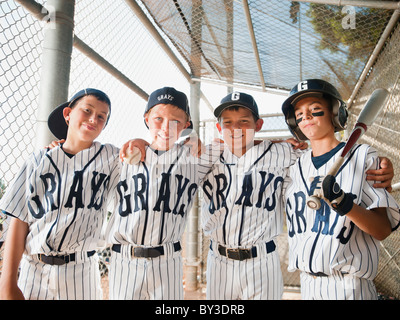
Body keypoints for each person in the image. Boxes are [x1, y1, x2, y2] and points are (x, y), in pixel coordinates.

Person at [281, 79, 400, 300]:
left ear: (335, 114)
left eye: (315, 110)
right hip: (307, 285)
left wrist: (344, 204)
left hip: (348, 287)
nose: (305, 116)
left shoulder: (363, 156)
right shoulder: (294, 167)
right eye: (298, 114)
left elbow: (382, 230)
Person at [0, 88, 120, 300]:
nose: (93, 118)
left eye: (102, 117)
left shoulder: (110, 158)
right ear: (67, 114)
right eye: (87, 110)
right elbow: (19, 221)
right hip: (34, 269)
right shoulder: (39, 159)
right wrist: (7, 282)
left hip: (81, 271)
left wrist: (141, 144)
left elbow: (140, 161)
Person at [105, 87, 217, 300]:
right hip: (124, 261)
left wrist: (279, 143)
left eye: (176, 121)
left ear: (186, 125)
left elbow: (236, 145)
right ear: (146, 118)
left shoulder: (193, 158)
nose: (167, 127)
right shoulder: (122, 157)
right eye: (158, 118)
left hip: (167, 262)